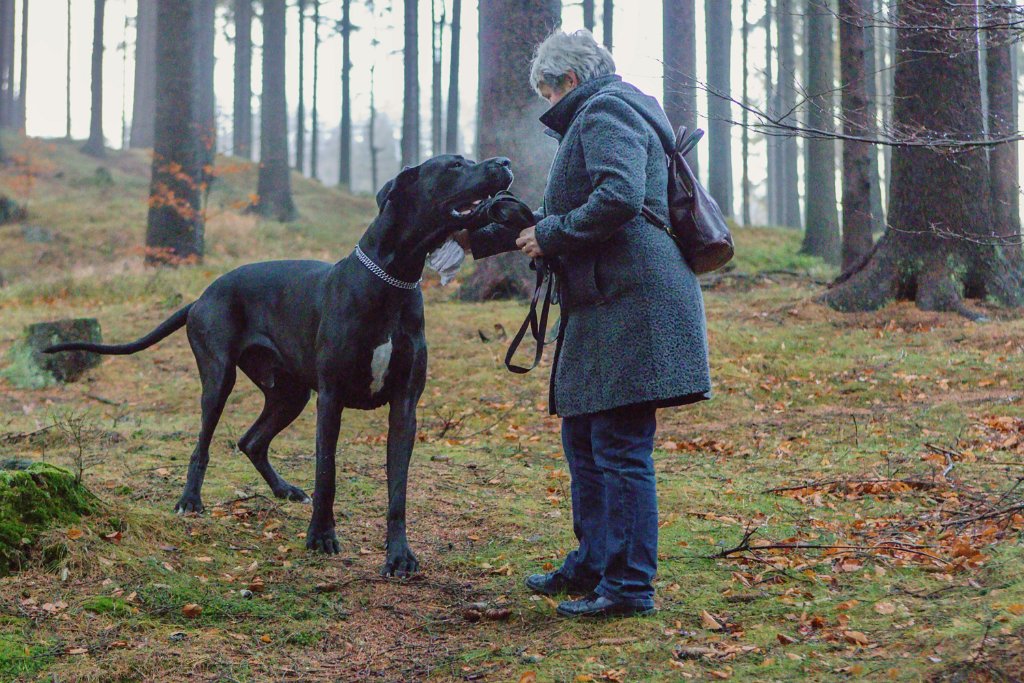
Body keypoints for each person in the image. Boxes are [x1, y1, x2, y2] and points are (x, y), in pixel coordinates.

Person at [455, 29, 711, 618]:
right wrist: (487, 237)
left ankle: (628, 588)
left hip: (633, 302)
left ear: (567, 80)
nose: (547, 104)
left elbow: (619, 197)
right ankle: (595, 563)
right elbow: (583, 202)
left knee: (620, 445)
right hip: (611, 301)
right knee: (585, 437)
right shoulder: (607, 112)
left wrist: (549, 234)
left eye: (547, 91)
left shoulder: (604, 113)